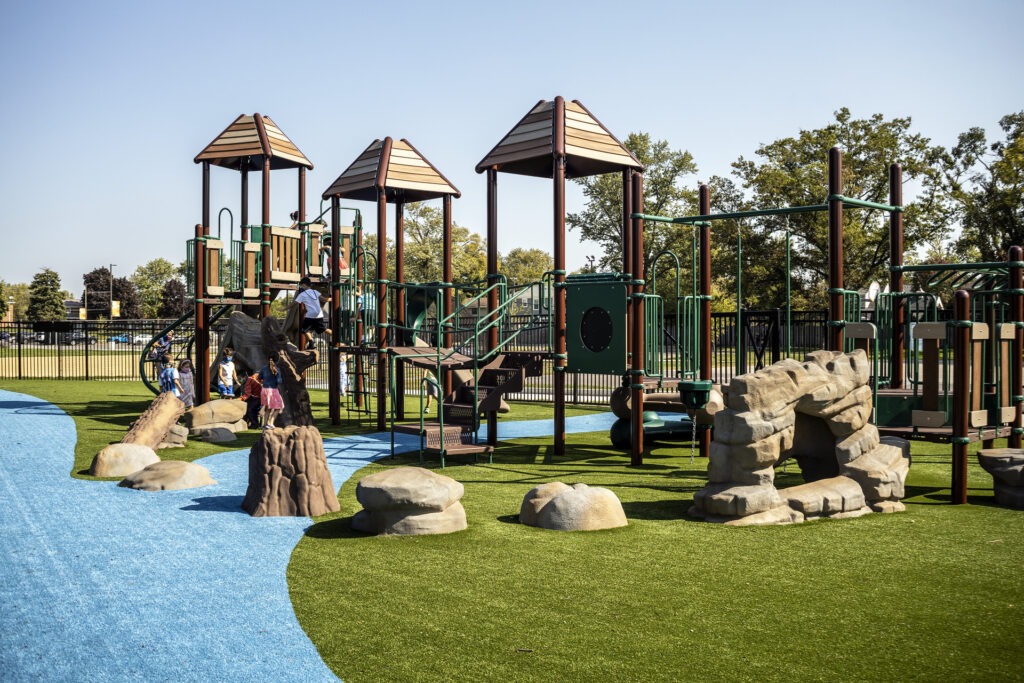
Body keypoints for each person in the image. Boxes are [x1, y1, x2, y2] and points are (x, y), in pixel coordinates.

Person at [293, 276, 330, 348]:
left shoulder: (303, 294)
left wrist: (284, 308)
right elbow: (324, 299)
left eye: (301, 285)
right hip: (319, 315)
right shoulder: (315, 292)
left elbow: (294, 303)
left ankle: (312, 343)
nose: (301, 287)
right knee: (321, 329)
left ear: (304, 285)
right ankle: (312, 343)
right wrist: (331, 298)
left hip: (311, 315)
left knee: (304, 329)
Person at [258, 355, 284, 429]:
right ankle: (270, 422)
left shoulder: (264, 368)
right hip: (272, 390)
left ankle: (265, 424)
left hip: (264, 390)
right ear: (277, 360)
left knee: (268, 408)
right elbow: (279, 381)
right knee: (279, 407)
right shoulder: (277, 369)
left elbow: (259, 377)